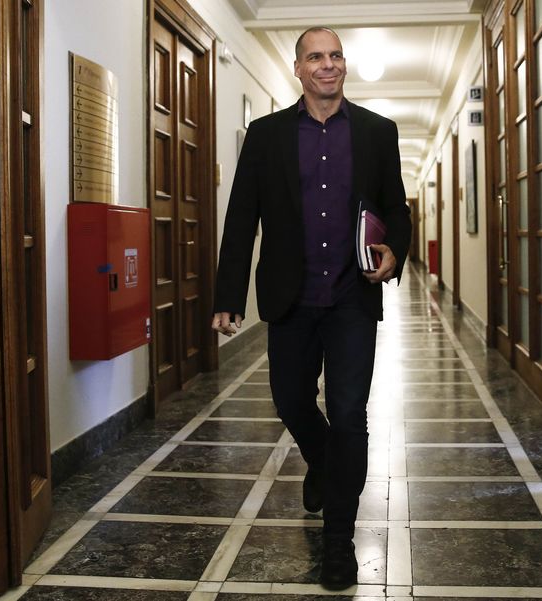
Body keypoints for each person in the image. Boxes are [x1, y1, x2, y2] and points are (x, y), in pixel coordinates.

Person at [212, 26, 411, 590]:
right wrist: (228, 297)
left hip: (352, 296)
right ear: (297, 69)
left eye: (336, 56)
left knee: (350, 416)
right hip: (290, 298)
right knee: (291, 401)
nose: (328, 65)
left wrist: (396, 250)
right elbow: (241, 217)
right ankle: (324, 464)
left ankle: (338, 545)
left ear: (344, 66)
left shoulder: (377, 132)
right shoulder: (267, 135)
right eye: (315, 57)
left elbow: (397, 209)